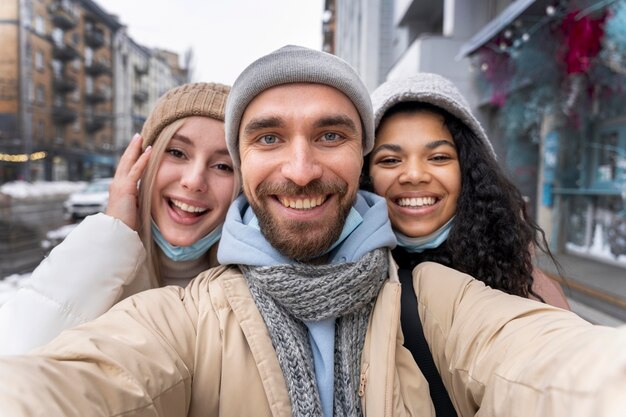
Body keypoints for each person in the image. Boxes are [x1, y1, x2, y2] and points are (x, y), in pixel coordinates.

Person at [0, 46, 625, 417]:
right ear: (245, 169)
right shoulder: (186, 317)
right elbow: (66, 383)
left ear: (360, 159)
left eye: (330, 135)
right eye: (269, 137)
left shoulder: (434, 296)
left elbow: (557, 367)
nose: (300, 170)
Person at [0, 82, 238, 355]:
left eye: (223, 166)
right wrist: (113, 235)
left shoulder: (253, 299)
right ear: (140, 161)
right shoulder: (101, 264)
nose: (194, 181)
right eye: (176, 152)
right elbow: (15, 363)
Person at [361, 73, 569, 308]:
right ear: (364, 173)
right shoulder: (336, 275)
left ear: (468, 171)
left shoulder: (526, 289)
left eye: (439, 157)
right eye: (390, 160)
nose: (414, 175)